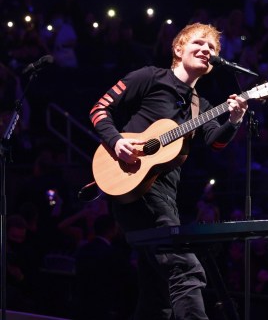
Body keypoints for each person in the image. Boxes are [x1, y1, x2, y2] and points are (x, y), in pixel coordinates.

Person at [89, 22, 248, 320]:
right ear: (178, 49)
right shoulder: (149, 77)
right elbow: (99, 109)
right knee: (184, 267)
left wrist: (235, 120)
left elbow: (215, 142)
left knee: (157, 292)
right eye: (199, 43)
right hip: (136, 188)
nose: (206, 50)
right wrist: (117, 141)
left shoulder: (201, 105)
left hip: (165, 195)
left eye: (212, 48)